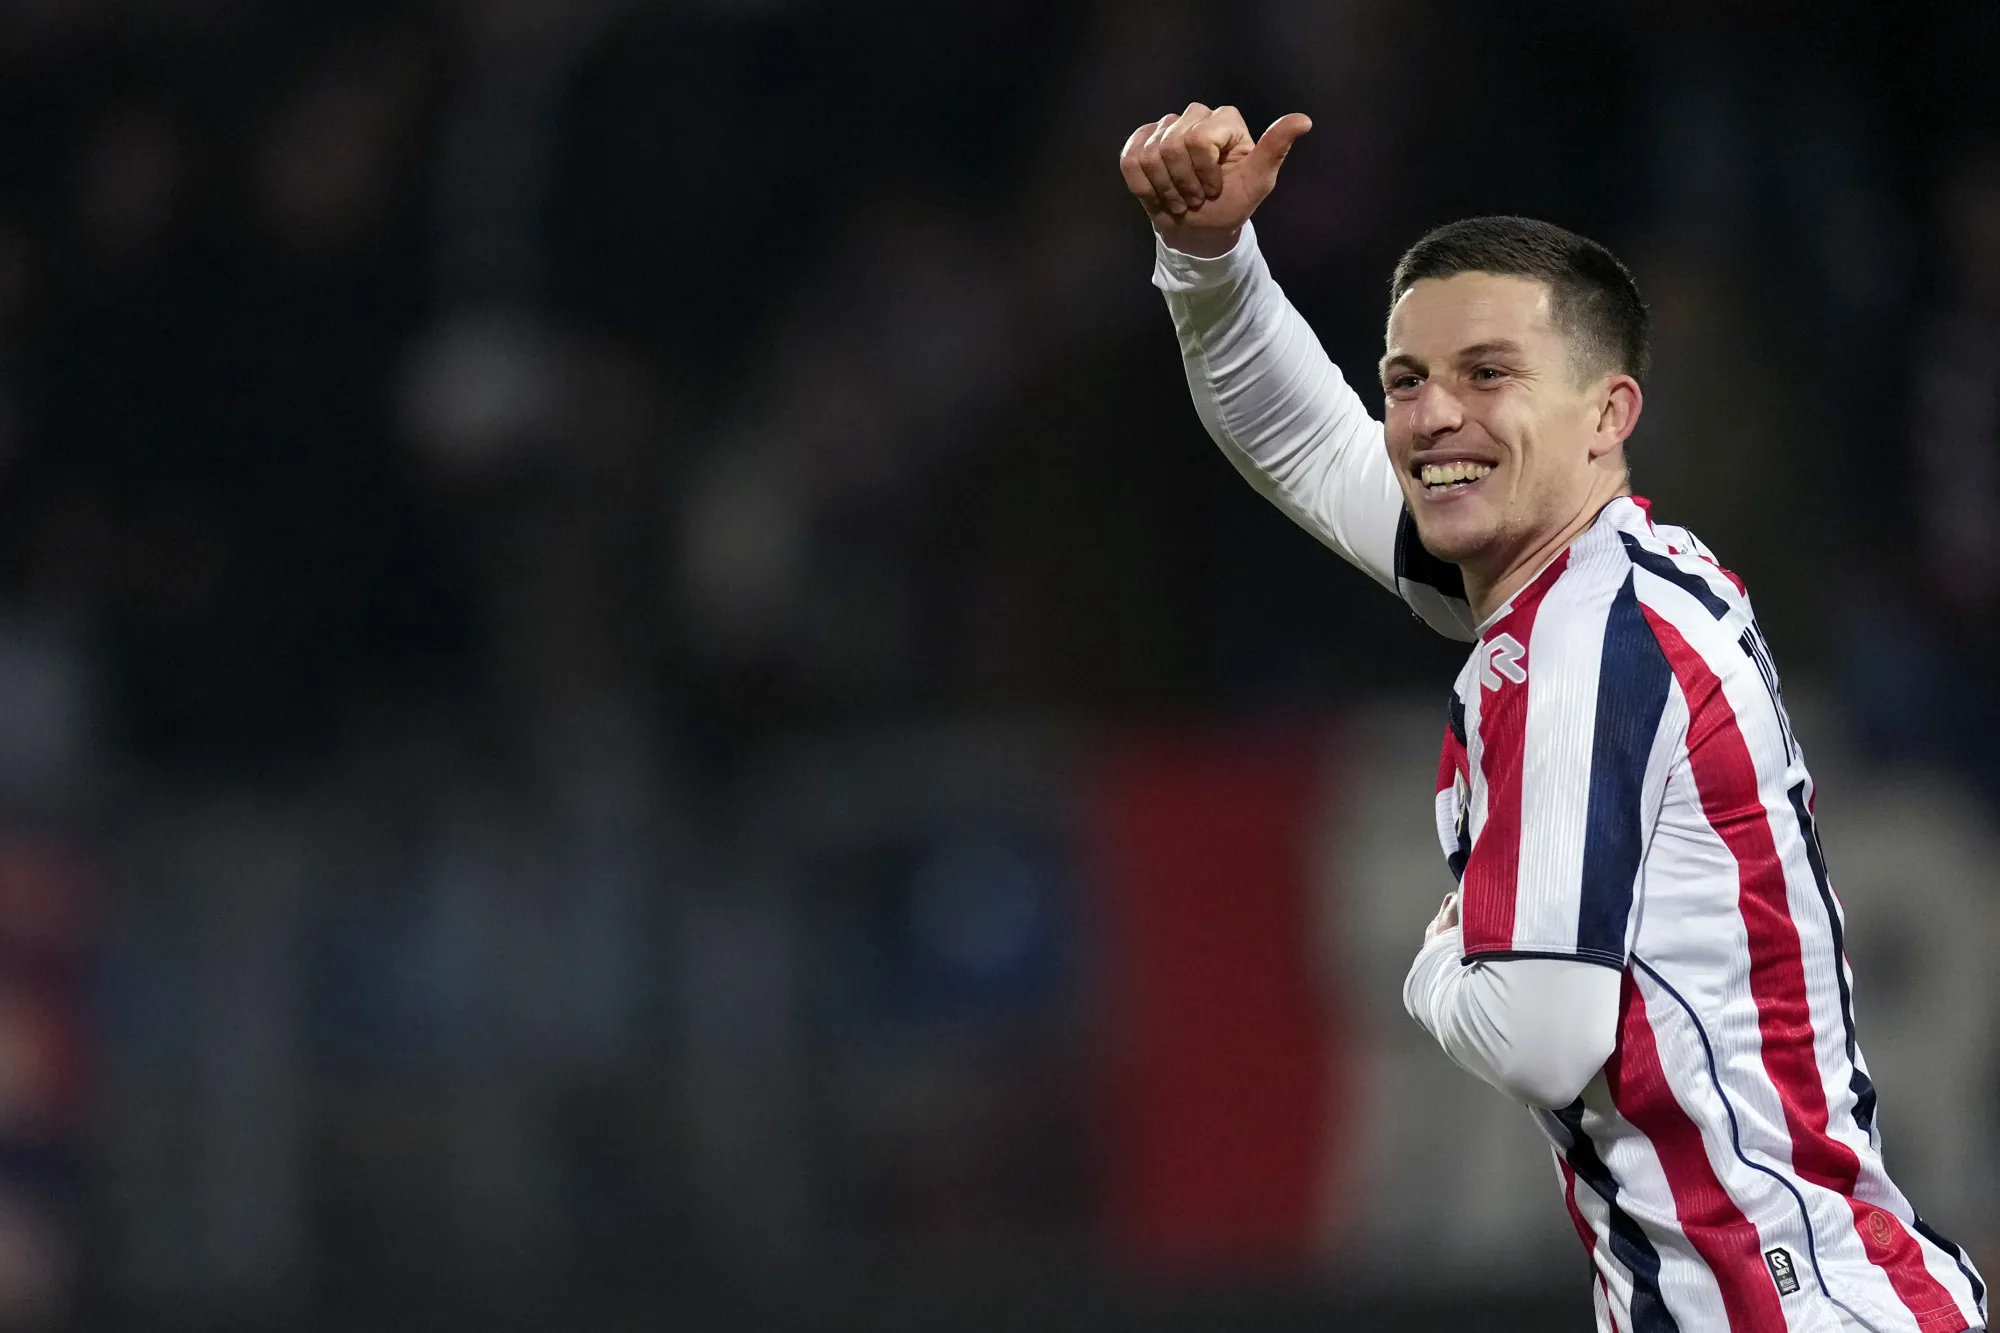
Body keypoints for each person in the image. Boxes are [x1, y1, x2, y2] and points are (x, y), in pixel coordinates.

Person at [1118, 101, 1987, 1333]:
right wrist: (1206, 259)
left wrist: (1433, 963)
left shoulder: (1578, 647)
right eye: (1407, 380)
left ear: (1605, 416)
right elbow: (1304, 442)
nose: (1432, 415)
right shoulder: (1617, 574)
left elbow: (1537, 1030)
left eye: (1487, 375)